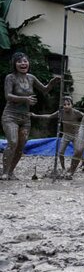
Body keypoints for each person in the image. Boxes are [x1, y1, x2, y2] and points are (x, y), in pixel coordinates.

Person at [1, 52, 60, 180]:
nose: (23, 63)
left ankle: (11, 172)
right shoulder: (10, 78)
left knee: (21, 146)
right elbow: (8, 96)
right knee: (13, 142)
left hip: (25, 117)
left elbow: (44, 90)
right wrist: (25, 99)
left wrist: (52, 83)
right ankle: (4, 172)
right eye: (19, 61)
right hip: (10, 115)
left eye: (25, 61)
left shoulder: (31, 78)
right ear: (14, 64)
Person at [31, 96, 84, 173]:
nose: (66, 106)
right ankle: (63, 168)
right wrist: (35, 115)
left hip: (76, 134)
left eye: (68, 104)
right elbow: (50, 116)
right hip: (66, 135)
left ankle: (83, 164)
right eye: (64, 104)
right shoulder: (61, 112)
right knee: (60, 153)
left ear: (72, 105)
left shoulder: (76, 112)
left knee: (78, 151)